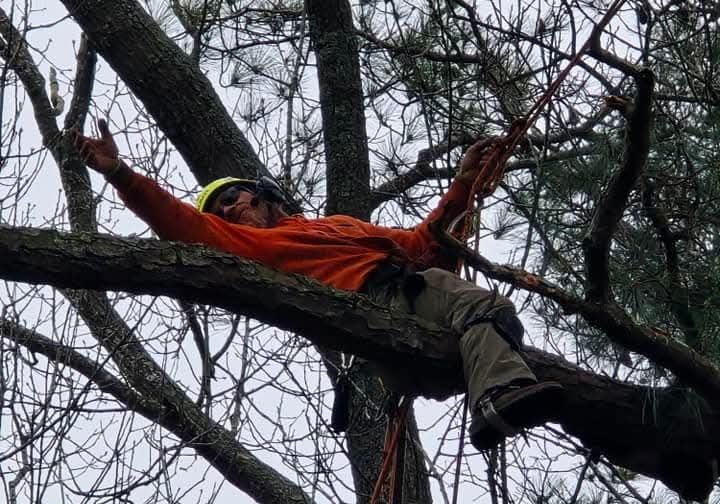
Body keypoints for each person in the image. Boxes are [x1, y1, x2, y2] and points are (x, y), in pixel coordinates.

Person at [71, 121, 562, 450]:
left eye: (231, 197)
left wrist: (464, 186)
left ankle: (496, 389)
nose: (224, 210)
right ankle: (498, 398)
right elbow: (181, 223)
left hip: (412, 313)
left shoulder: (343, 227)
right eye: (216, 211)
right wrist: (120, 174)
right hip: (386, 305)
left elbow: (421, 245)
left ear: (263, 193)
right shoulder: (250, 247)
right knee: (489, 307)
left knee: (479, 312)